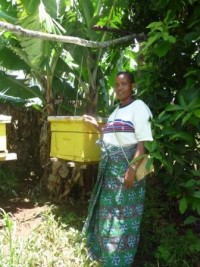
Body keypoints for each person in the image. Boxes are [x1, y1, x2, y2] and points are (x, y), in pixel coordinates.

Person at [82, 71, 153, 266]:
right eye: (117, 84)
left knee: (124, 217)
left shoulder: (139, 108)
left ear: (132, 86)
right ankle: (108, 257)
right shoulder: (116, 111)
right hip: (110, 174)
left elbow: (142, 144)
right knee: (108, 216)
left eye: (124, 83)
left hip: (127, 172)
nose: (119, 88)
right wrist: (96, 126)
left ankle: (120, 260)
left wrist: (131, 170)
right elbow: (111, 135)